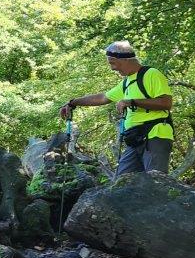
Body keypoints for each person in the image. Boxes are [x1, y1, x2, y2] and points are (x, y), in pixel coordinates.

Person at [60, 41, 175, 177]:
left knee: (155, 180)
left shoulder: (151, 74)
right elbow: (103, 98)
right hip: (135, 138)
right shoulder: (127, 82)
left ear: (125, 59)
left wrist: (132, 102)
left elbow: (166, 103)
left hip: (156, 135)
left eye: (113, 63)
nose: (112, 68)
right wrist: (73, 102)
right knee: (122, 181)